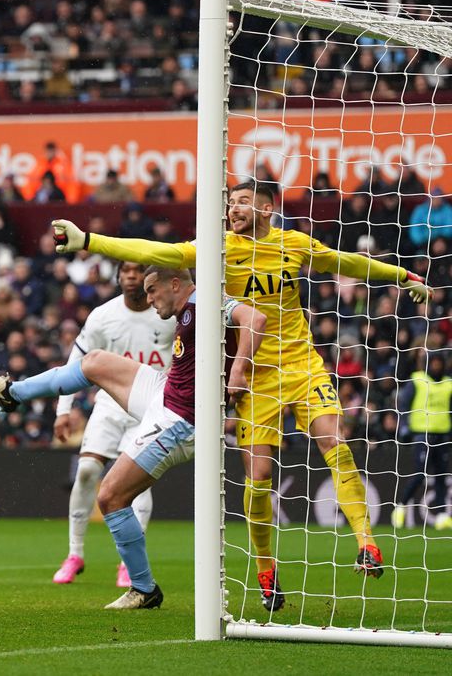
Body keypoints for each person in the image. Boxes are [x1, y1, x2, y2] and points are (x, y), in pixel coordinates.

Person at [49, 181, 431, 608]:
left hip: (302, 364)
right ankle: (267, 571)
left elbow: (348, 262)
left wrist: (402, 274)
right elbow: (156, 254)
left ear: (267, 209)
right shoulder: (218, 248)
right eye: (230, 202)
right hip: (253, 379)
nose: (233, 208)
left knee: (334, 441)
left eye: (244, 202)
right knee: (259, 478)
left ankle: (366, 542)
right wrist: (88, 241)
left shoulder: (295, 244)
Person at [0, 266, 266, 609]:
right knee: (95, 361)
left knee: (111, 495)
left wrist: (239, 369)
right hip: (164, 393)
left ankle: (143, 589)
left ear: (175, 283)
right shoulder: (184, 309)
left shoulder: (209, 300)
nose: (149, 298)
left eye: (153, 290)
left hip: (183, 419)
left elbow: (255, 319)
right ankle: (13, 393)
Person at [47, 261, 176, 587]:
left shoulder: (168, 314)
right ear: (118, 277)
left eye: (137, 271)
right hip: (108, 404)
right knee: (88, 471)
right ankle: (75, 553)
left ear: (151, 280)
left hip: (150, 409)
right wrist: (64, 408)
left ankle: (127, 562)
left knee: (137, 482)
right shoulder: (103, 316)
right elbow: (75, 362)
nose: (131, 276)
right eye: (126, 271)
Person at [393, 350, 452, 530]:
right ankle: (400, 507)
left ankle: (442, 515)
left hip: (443, 433)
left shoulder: (449, 383)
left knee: (441, 476)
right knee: (420, 473)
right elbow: (404, 404)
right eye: (433, 362)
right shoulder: (417, 380)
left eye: (438, 362)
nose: (436, 365)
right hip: (422, 433)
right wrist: (403, 425)